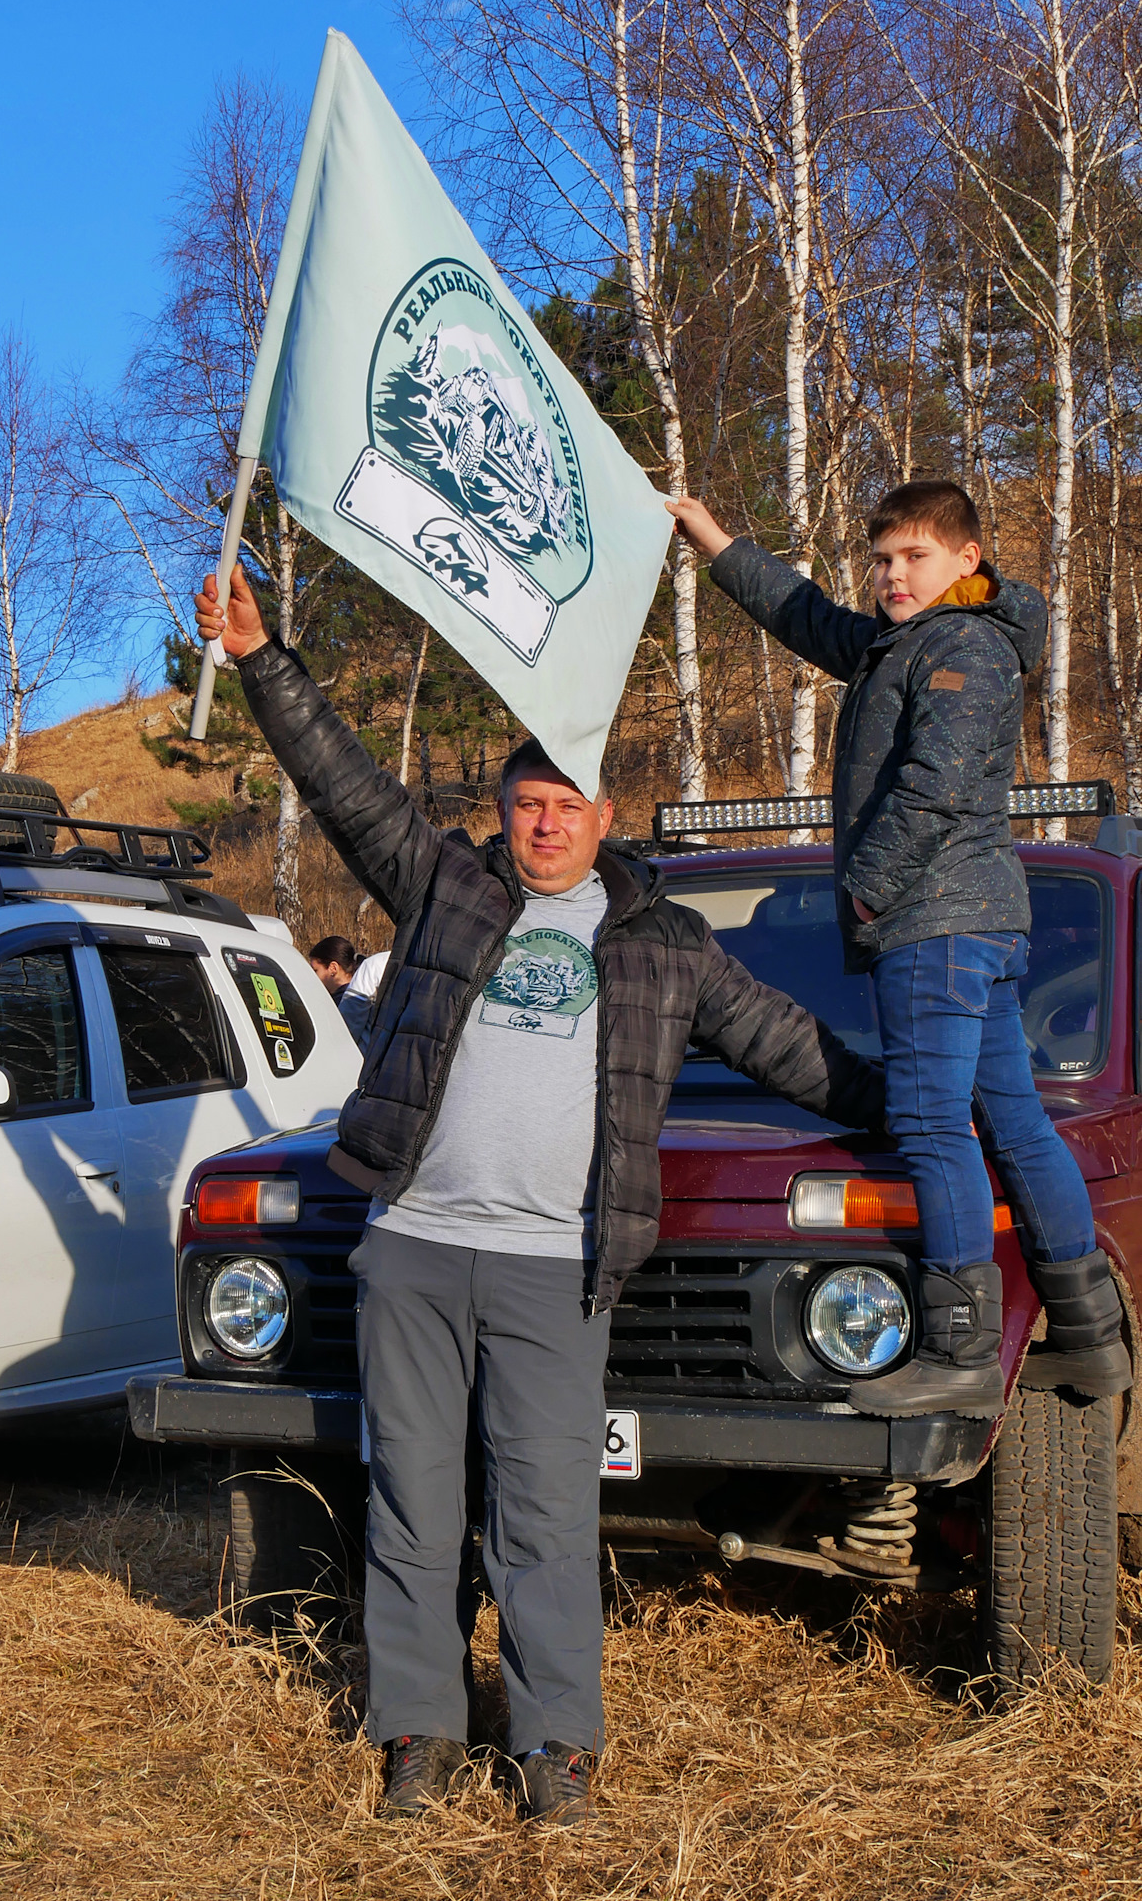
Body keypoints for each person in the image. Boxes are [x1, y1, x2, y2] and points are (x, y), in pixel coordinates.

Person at [195, 563, 885, 1825]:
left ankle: (555, 1745)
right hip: (413, 1247)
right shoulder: (447, 887)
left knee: (547, 1512)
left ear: (604, 815)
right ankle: (418, 1731)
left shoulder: (664, 944)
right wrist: (261, 661)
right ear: (502, 814)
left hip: (552, 1267)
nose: (546, 825)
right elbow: (346, 789)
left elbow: (793, 1048)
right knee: (413, 1496)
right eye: (527, 804)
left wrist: (928, 1109)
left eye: (566, 805)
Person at [667, 479, 1132, 1418]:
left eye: (913, 556)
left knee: (929, 1126)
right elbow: (804, 614)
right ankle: (1090, 1338)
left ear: (966, 560)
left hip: (937, 923)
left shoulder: (965, 645)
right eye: (881, 559)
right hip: (970, 924)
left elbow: (937, 785)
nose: (890, 575)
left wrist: (867, 890)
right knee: (1012, 1121)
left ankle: (959, 1349)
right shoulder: (905, 642)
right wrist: (711, 537)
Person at [308, 937, 392, 1050]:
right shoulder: (368, 991)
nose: (312, 977)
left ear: (333, 968)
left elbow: (340, 1041)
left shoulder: (353, 1001)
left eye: (315, 970)